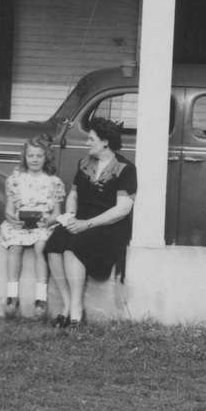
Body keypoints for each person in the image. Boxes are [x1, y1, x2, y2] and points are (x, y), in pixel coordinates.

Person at [45, 117, 137, 328]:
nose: (87, 143)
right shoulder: (84, 163)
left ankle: (76, 310)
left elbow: (122, 209)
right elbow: (74, 195)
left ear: (105, 142)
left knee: (72, 247)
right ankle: (67, 305)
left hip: (108, 225)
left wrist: (87, 224)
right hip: (81, 219)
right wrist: (69, 215)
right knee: (54, 244)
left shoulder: (125, 168)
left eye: (91, 139)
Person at [0, 135, 66, 320]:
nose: (34, 159)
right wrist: (12, 218)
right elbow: (9, 209)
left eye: (39, 156)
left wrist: (48, 221)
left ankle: (41, 299)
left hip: (43, 223)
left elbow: (57, 213)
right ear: (24, 157)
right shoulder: (16, 179)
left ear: (46, 158)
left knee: (42, 246)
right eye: (31, 155)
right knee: (15, 246)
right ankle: (12, 296)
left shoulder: (54, 181)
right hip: (20, 223)